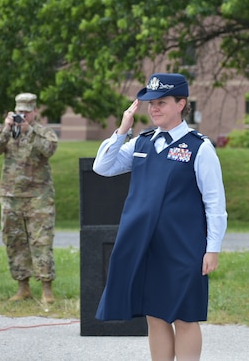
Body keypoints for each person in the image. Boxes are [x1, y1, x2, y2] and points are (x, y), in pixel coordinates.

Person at [93, 73, 227, 360]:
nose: (154, 108)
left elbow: (215, 202)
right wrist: (122, 129)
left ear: (181, 104)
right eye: (151, 103)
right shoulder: (142, 143)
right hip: (147, 245)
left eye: (162, 102)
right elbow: (103, 167)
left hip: (184, 247)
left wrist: (212, 248)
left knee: (185, 316)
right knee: (155, 315)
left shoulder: (198, 147)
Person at [0, 92, 58, 304]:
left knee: (41, 242)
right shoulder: (8, 132)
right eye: (19, 113)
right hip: (11, 196)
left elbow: (50, 149)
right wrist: (6, 129)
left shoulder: (44, 132)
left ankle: (47, 289)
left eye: (27, 112)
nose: (23, 116)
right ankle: (22, 287)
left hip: (39, 198)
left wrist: (30, 132)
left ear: (35, 111)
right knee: (14, 241)